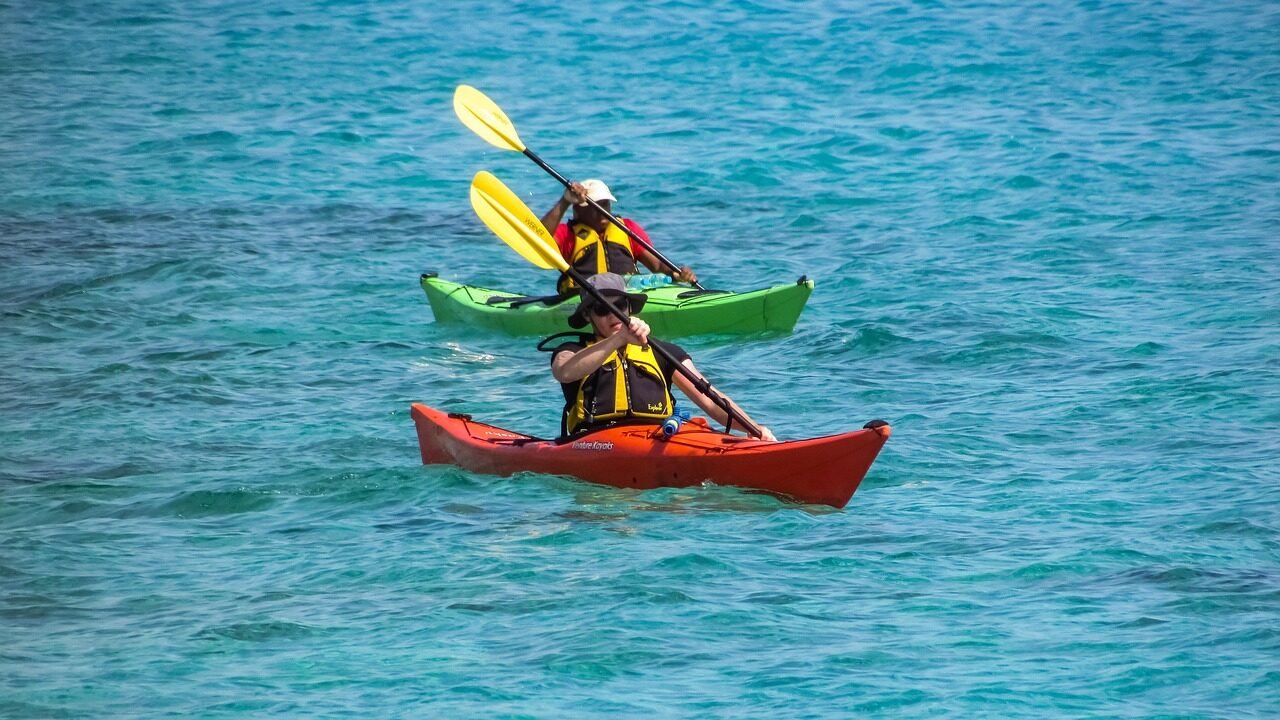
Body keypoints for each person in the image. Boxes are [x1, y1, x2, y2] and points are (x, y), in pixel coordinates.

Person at [543, 272, 775, 441]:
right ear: (588, 315)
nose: (613, 315)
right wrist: (619, 339)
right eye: (603, 309)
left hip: (657, 438)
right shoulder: (573, 350)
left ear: (629, 307)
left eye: (619, 305)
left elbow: (710, 400)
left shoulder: (663, 352)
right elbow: (564, 372)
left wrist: (753, 429)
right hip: (596, 441)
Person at [540, 179, 697, 295]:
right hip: (585, 298)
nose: (602, 210)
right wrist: (565, 202)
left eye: (605, 204)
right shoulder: (567, 234)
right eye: (595, 205)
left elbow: (657, 266)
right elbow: (539, 239)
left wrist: (676, 274)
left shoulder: (627, 228)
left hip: (628, 293)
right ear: (578, 210)